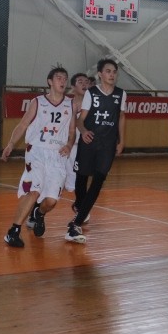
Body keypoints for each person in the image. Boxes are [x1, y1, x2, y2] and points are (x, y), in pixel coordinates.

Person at [1, 67, 76, 248]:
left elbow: (72, 131)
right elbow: (22, 125)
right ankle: (13, 231)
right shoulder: (38, 102)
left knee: (50, 201)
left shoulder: (70, 104)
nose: (62, 81)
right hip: (36, 151)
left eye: (65, 78)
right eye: (59, 77)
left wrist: (69, 144)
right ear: (50, 81)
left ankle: (39, 214)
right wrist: (11, 144)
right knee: (34, 191)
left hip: (57, 155)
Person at [68, 58, 126, 244]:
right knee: (81, 177)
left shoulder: (121, 94)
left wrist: (122, 140)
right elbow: (80, 120)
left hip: (107, 145)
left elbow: (121, 117)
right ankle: (80, 206)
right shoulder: (91, 93)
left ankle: (76, 223)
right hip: (89, 142)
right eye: (108, 71)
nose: (112, 74)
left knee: (99, 180)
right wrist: (84, 131)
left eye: (114, 72)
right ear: (100, 74)